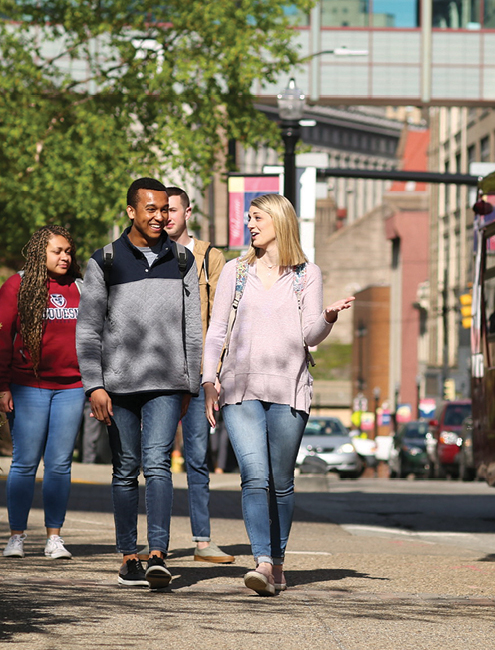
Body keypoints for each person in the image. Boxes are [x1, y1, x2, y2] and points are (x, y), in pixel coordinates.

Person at [202, 194, 354, 596]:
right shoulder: (235, 272)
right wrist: (207, 381)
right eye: (248, 218)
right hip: (239, 387)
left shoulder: (307, 274)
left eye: (257, 218)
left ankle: (279, 564)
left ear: (279, 221)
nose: (250, 224)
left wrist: (328, 318)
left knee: (281, 482)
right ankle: (263, 562)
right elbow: (217, 331)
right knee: (254, 477)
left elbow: (309, 335)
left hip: (289, 388)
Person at [77, 177, 203, 590]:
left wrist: (191, 384)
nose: (160, 216)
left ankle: (157, 555)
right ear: (131, 211)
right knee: (125, 469)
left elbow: (192, 328)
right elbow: (89, 329)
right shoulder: (106, 261)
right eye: (151, 209)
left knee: (158, 465)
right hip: (117, 386)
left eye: (165, 209)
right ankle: (128, 555)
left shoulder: (183, 259)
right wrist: (93, 385)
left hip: (167, 383)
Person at [141, 185, 233, 563]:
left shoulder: (210, 257)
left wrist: (216, 370)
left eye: (173, 210)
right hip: (158, 373)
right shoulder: (148, 255)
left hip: (197, 374)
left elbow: (225, 316)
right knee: (154, 458)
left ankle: (202, 540)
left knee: (196, 456)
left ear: (187, 212)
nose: (166, 217)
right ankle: (155, 544)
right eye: (162, 211)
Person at [0, 225, 84, 560]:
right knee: (25, 464)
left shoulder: (79, 286)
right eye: (57, 251)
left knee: (59, 465)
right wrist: (0, 385)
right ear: (40, 252)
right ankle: (17, 536)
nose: (65, 257)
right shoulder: (16, 285)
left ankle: (54, 538)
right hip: (28, 387)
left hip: (72, 388)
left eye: (68, 252)